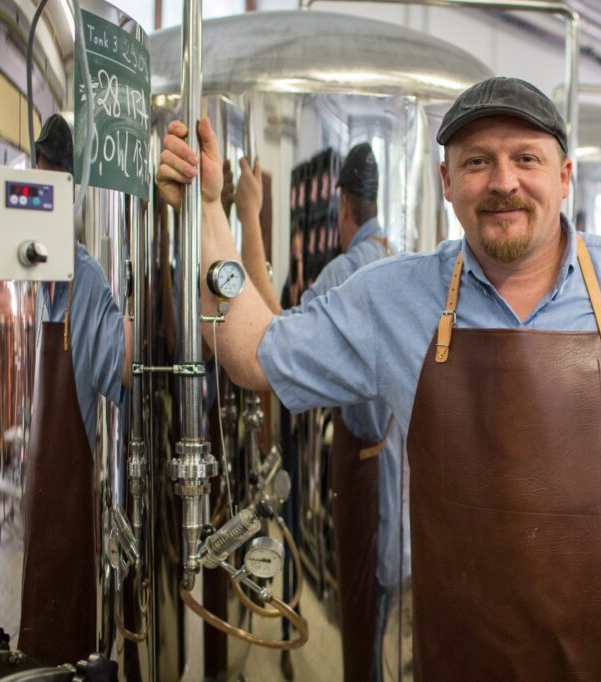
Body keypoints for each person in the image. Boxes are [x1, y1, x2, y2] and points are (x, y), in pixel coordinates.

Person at [156, 77, 601, 679]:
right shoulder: (394, 298)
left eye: (526, 158)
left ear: (564, 176)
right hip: (461, 660)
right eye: (478, 162)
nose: (503, 182)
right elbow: (253, 354)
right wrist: (210, 212)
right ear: (447, 183)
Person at [235, 145, 406, 681]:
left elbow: (270, 338)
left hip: (368, 470)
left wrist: (247, 219)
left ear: (341, 205)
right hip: (400, 465)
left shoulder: (347, 273)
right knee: (384, 616)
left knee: (362, 618)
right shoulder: (400, 261)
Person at [18, 113, 132, 665]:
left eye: (52, 190)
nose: (41, 204)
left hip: (70, 518)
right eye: (34, 189)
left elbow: (122, 377)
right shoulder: (20, 274)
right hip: (30, 515)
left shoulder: (86, 281)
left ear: (70, 194)